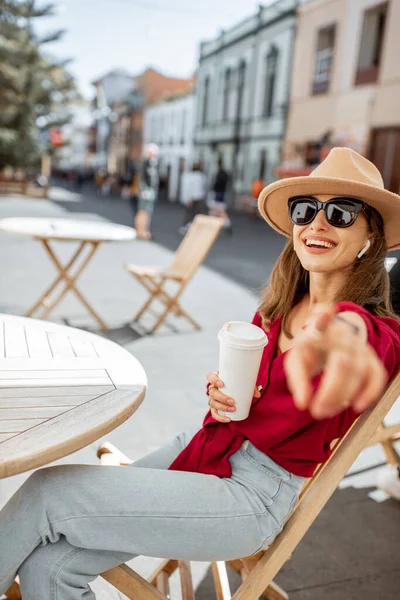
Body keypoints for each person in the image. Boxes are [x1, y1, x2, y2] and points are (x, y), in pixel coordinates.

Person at [1, 147, 400, 600]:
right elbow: (250, 398)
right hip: (205, 446)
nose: (317, 224)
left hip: (251, 496)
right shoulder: (277, 308)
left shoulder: (372, 333)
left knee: (46, 492)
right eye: (305, 209)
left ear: (371, 235)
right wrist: (222, 398)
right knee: (50, 568)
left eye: (342, 213)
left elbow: (375, 343)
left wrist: (344, 323)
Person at [134, 143, 160, 240]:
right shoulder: (147, 163)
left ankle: (143, 230)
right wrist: (143, 190)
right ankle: (141, 230)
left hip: (149, 191)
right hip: (146, 192)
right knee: (143, 211)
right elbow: (143, 178)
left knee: (146, 211)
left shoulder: (150, 163)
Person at [178, 162, 207, 235]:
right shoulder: (201, 176)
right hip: (198, 197)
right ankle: (191, 226)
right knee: (196, 213)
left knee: (191, 213)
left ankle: (191, 225)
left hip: (194, 197)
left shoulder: (193, 176)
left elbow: (189, 188)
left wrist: (187, 199)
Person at [209, 158, 231, 231]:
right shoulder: (223, 173)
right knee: (215, 209)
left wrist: (214, 188)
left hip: (219, 193)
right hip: (220, 192)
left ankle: (227, 223)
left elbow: (218, 184)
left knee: (219, 209)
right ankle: (212, 223)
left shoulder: (221, 173)